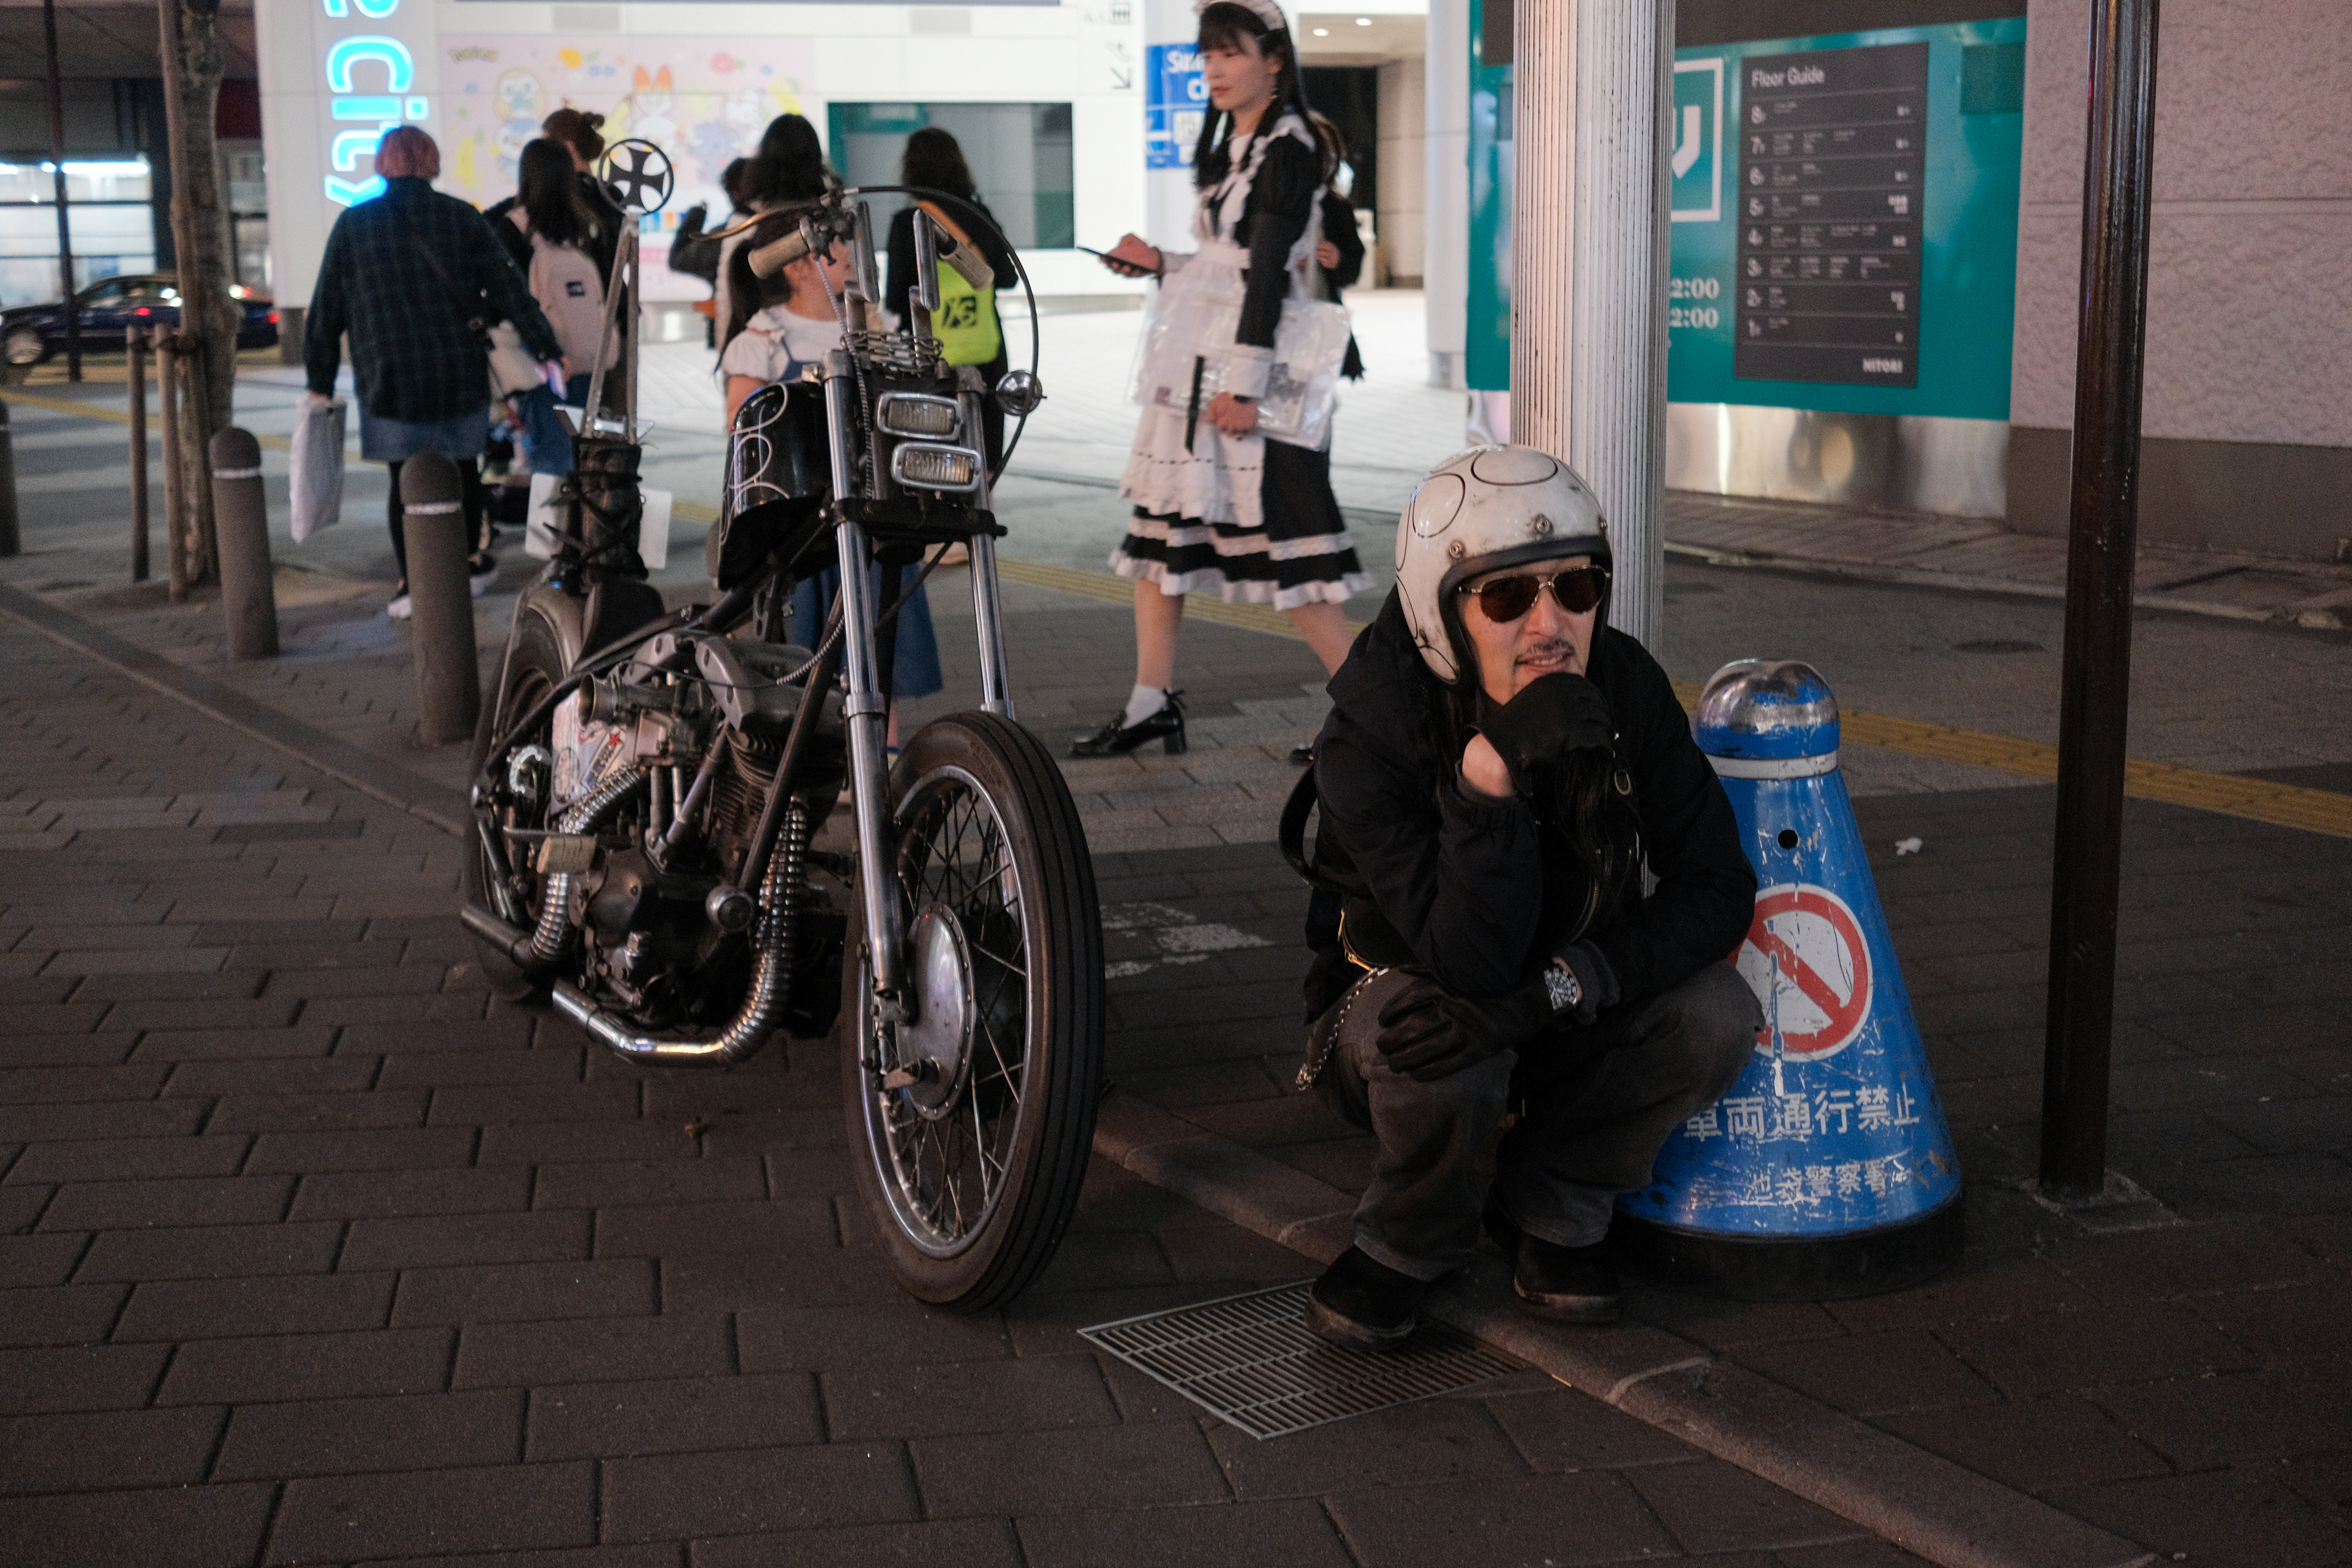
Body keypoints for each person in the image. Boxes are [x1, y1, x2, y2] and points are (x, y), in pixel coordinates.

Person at [1295, 444, 1764, 1351]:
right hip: (1405, 997)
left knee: (1717, 1014)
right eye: (1508, 597)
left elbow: (1717, 886)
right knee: (1435, 1038)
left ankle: (1554, 1200)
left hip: (1559, 1001)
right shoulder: (1373, 730)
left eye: (1577, 588)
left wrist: (1564, 985)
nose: (1551, 624)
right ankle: (1411, 1238)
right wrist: (1489, 778)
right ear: (1440, 611)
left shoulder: (1623, 685)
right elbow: (1468, 962)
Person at [1076, 0, 1370, 758]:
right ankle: (1150, 703)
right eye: (1207, 55)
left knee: (1296, 555)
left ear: (1274, 61)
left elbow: (1268, 274)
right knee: (1162, 538)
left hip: (1251, 377)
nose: (1213, 68)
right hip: (1200, 369)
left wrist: (1245, 387)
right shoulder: (1237, 148)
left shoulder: (1289, 147)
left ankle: (1382, 725)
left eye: (1230, 52)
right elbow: (1228, 266)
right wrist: (1161, 262)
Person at [304, 126, 564, 619]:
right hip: (457, 374)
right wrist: (546, 347)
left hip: (387, 378)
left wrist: (319, 382)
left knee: (404, 480)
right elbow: (509, 288)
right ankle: (461, 567)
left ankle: (412, 581)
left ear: (383, 163)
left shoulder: (354, 225)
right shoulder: (461, 217)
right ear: (432, 161)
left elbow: (326, 311)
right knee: (462, 472)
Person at [717, 211, 944, 721]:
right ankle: (820, 747)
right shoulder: (766, 336)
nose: (848, 253)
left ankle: (884, 747)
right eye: (834, 244)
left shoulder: (876, 328)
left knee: (884, 640)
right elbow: (740, 422)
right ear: (797, 265)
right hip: (805, 531)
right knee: (807, 654)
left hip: (875, 514)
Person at [883, 127, 1019, 467]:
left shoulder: (907, 223)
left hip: (929, 360)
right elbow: (1008, 278)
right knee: (983, 459)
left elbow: (895, 301)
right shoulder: (980, 216)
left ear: (910, 169)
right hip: (986, 354)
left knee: (932, 458)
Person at [505, 137, 616, 480]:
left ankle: (552, 512)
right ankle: (582, 511)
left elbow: (507, 295)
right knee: (583, 449)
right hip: (590, 355)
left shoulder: (514, 228)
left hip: (542, 359)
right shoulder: (588, 228)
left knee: (550, 454)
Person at [715, 116, 836, 342]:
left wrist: (727, 349)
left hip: (763, 338)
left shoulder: (747, 218)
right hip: (827, 337)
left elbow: (729, 293)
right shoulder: (833, 213)